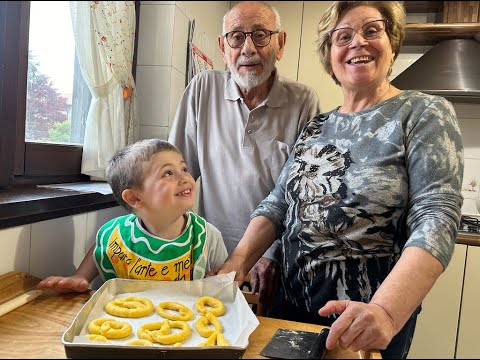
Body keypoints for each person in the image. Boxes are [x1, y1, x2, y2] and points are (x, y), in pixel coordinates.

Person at [213, 1, 464, 359]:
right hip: (292, 308)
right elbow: (280, 202)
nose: (357, 43)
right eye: (343, 36)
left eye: (372, 30)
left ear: (391, 43)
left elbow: (436, 215)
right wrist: (237, 262)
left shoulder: (423, 112)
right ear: (329, 54)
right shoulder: (317, 126)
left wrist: (387, 313)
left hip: (365, 317)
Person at [168, 1, 320, 311]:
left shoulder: (303, 100)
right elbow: (174, 174)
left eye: (261, 35)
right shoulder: (202, 89)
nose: (247, 48)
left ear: (280, 44)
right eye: (236, 37)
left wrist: (270, 253)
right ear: (223, 47)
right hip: (208, 257)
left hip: (272, 265)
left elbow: (301, 194)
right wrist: (168, 243)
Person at [37, 139, 228, 293]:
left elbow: (225, 287)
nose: (185, 177)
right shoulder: (118, 235)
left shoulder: (207, 237)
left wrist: (217, 286)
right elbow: (103, 247)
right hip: (129, 330)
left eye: (184, 168)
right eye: (168, 173)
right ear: (135, 198)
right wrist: (81, 277)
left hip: (188, 330)